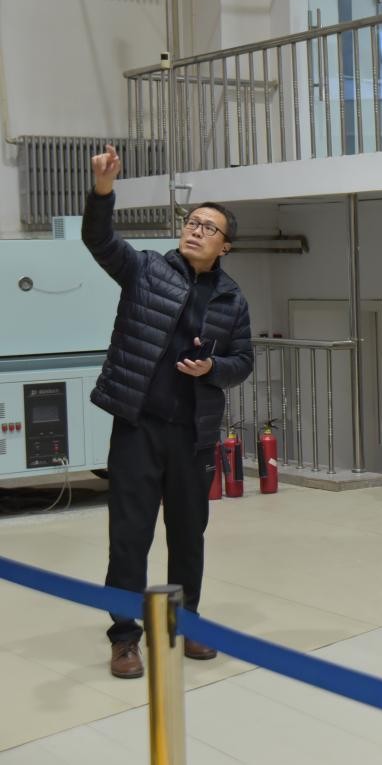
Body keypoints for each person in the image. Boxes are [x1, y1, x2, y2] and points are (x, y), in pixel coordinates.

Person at [84, 145, 254, 679]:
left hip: (193, 435)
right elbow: (99, 240)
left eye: (208, 227)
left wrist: (214, 369)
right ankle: (124, 638)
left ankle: (185, 623)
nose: (195, 231)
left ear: (225, 245)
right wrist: (103, 190)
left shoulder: (232, 299)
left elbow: (244, 360)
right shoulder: (147, 271)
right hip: (138, 426)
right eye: (192, 222)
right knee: (129, 535)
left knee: (187, 535)